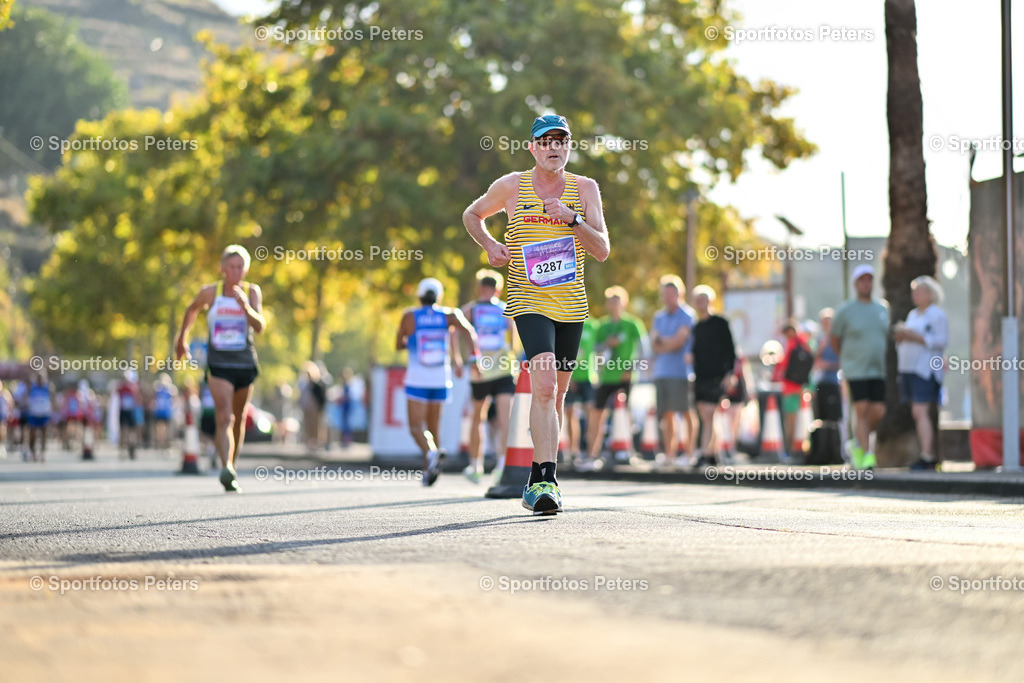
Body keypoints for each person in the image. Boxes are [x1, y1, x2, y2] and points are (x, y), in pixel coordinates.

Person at [463, 113, 610, 514]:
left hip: (571, 305)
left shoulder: (585, 189)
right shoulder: (511, 186)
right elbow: (471, 214)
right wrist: (491, 246)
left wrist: (573, 219)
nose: (553, 147)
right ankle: (547, 480)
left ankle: (536, 476)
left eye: (561, 140)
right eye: (545, 141)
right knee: (543, 386)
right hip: (529, 301)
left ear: (569, 146)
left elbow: (601, 249)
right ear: (532, 147)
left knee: (557, 395)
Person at [175, 244, 266, 492]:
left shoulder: (251, 291)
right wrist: (181, 339)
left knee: (238, 420)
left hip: (245, 363)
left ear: (245, 270)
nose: (236, 271)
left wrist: (245, 307)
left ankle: (232, 467)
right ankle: (225, 465)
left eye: (240, 267)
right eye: (231, 267)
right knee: (224, 415)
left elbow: (260, 327)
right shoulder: (210, 292)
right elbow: (191, 309)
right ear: (223, 268)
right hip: (219, 364)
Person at [396, 277, 480, 486]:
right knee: (433, 428)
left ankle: (431, 454)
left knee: (416, 427)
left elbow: (398, 344)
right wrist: (474, 357)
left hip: (417, 378)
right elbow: (469, 331)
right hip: (441, 379)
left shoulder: (409, 316)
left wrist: (414, 343)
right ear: (439, 296)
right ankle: (428, 472)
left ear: (419, 296)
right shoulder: (449, 315)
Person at [459, 269, 518, 484]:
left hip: (479, 371)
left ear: (478, 287)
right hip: (503, 369)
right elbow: (513, 341)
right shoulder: (506, 309)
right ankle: (502, 466)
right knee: (505, 419)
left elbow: (455, 332)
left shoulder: (469, 310)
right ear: (498, 289)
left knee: (478, 418)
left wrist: (460, 358)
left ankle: (476, 465)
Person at [581, 286, 648, 468]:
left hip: (625, 375)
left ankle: (629, 451)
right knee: (597, 414)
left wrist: (633, 368)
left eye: (617, 301)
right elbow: (594, 349)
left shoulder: (632, 324)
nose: (613, 304)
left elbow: (643, 349)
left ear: (623, 303)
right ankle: (592, 454)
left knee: (626, 413)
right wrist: (606, 345)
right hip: (606, 377)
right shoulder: (602, 326)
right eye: (610, 301)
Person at [830, 264, 889, 470]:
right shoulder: (845, 310)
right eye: (862, 280)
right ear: (856, 284)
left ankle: (858, 443)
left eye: (869, 279)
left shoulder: (882, 308)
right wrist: (847, 358)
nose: (866, 283)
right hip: (856, 369)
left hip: (878, 369)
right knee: (861, 408)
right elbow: (834, 338)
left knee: (878, 411)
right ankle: (865, 455)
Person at [894, 275, 949, 470]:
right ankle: (927, 454)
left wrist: (914, 336)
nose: (915, 295)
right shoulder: (913, 315)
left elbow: (940, 341)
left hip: (925, 370)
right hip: (908, 368)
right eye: (914, 291)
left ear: (930, 293)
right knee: (918, 413)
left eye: (919, 291)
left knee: (921, 411)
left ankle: (928, 456)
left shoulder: (937, 315)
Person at [650, 275, 695, 467]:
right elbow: (654, 343)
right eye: (665, 294)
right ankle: (670, 454)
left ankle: (690, 453)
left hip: (681, 372)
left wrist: (664, 342)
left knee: (686, 412)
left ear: (679, 293)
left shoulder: (687, 315)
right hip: (662, 372)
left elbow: (679, 342)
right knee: (667, 414)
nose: (668, 297)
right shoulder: (658, 317)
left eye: (672, 293)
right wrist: (668, 343)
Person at [690, 285, 736, 468]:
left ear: (710, 300)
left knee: (709, 413)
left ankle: (704, 453)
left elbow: (730, 350)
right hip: (700, 376)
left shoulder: (720, 323)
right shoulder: (697, 327)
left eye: (703, 300)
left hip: (716, 376)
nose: (700, 304)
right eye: (697, 300)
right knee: (706, 414)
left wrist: (729, 373)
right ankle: (712, 453)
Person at [772, 320, 813, 459]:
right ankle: (797, 448)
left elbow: (784, 365)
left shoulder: (791, 344)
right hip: (801, 387)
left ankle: (790, 449)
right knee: (798, 419)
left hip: (790, 387)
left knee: (790, 420)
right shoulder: (804, 342)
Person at [565, 316, 598, 468]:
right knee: (570, 413)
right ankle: (574, 452)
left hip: (587, 377)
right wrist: (567, 376)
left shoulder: (593, 326)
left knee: (591, 414)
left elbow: (600, 348)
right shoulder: (566, 322)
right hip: (570, 376)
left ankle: (591, 453)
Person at [813, 308, 843, 422]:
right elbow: (815, 361)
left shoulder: (837, 339)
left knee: (834, 416)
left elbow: (841, 360)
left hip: (834, 382)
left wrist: (828, 365)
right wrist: (820, 348)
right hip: (820, 382)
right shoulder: (819, 339)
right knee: (821, 416)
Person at [298, 361, 327, 452]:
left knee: (316, 426)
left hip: (315, 409)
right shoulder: (305, 385)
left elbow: (321, 398)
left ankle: (316, 442)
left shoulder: (317, 385)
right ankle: (309, 442)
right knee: (308, 426)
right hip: (307, 408)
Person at [26, 371, 52, 463]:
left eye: (41, 377)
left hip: (44, 414)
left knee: (44, 434)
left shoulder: (48, 387)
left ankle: (42, 453)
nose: (40, 379)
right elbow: (26, 397)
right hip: (33, 414)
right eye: (38, 378)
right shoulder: (32, 387)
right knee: (32, 434)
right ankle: (32, 452)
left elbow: (53, 400)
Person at [116, 370, 143, 460]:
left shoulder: (132, 387)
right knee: (124, 431)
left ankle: (131, 449)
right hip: (125, 410)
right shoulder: (123, 387)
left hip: (130, 411)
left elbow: (137, 398)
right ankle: (124, 450)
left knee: (130, 431)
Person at [152, 373, 178, 450]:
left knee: (165, 429)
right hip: (160, 411)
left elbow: (175, 398)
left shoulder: (169, 389)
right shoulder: (158, 388)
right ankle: (161, 443)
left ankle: (165, 443)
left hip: (166, 411)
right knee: (160, 428)